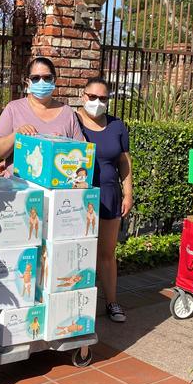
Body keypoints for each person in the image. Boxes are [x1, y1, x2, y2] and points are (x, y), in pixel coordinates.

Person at [75, 78, 134, 323]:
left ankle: (112, 302)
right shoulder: (71, 121)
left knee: (107, 252)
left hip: (109, 195)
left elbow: (124, 160)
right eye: (92, 97)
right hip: (78, 198)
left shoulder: (117, 125)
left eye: (103, 98)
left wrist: (128, 192)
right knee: (77, 251)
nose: (97, 102)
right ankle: (77, 304)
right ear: (82, 95)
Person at [0, 57, 83, 175]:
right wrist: (16, 135)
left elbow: (82, 154)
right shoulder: (14, 108)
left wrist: (63, 145)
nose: (41, 82)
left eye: (47, 78)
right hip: (20, 189)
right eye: (36, 78)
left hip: (56, 188)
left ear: (54, 80)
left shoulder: (68, 113)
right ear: (28, 82)